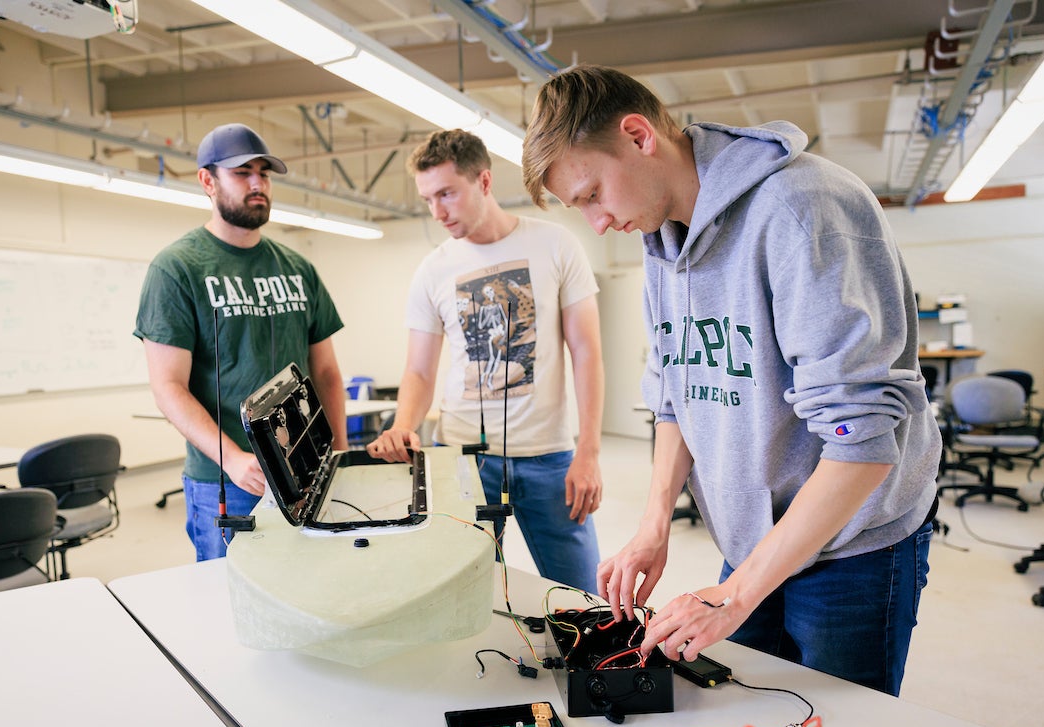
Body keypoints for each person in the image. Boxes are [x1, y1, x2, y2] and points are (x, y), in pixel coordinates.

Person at [522, 65, 941, 695]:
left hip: (851, 550)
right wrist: (654, 523)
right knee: (748, 725)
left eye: (591, 195)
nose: (597, 223)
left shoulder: (801, 209)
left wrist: (736, 595)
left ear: (639, 137)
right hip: (751, 538)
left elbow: (861, 442)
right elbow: (675, 392)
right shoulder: (662, 238)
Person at [367, 129, 604, 592]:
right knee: (464, 594)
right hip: (463, 459)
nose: (438, 212)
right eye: (428, 199)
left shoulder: (556, 245)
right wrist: (403, 424)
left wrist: (590, 451)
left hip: (549, 456)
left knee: (583, 597)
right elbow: (418, 370)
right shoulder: (433, 269)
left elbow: (587, 352)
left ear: (484, 181)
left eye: (447, 194)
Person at [135, 122, 348, 561]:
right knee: (229, 605)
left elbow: (324, 370)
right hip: (228, 479)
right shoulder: (177, 268)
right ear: (207, 181)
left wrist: (339, 451)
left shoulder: (297, 268)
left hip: (305, 469)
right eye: (242, 173)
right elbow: (168, 387)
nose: (258, 184)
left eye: (264, 174)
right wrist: (231, 458)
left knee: (311, 591)